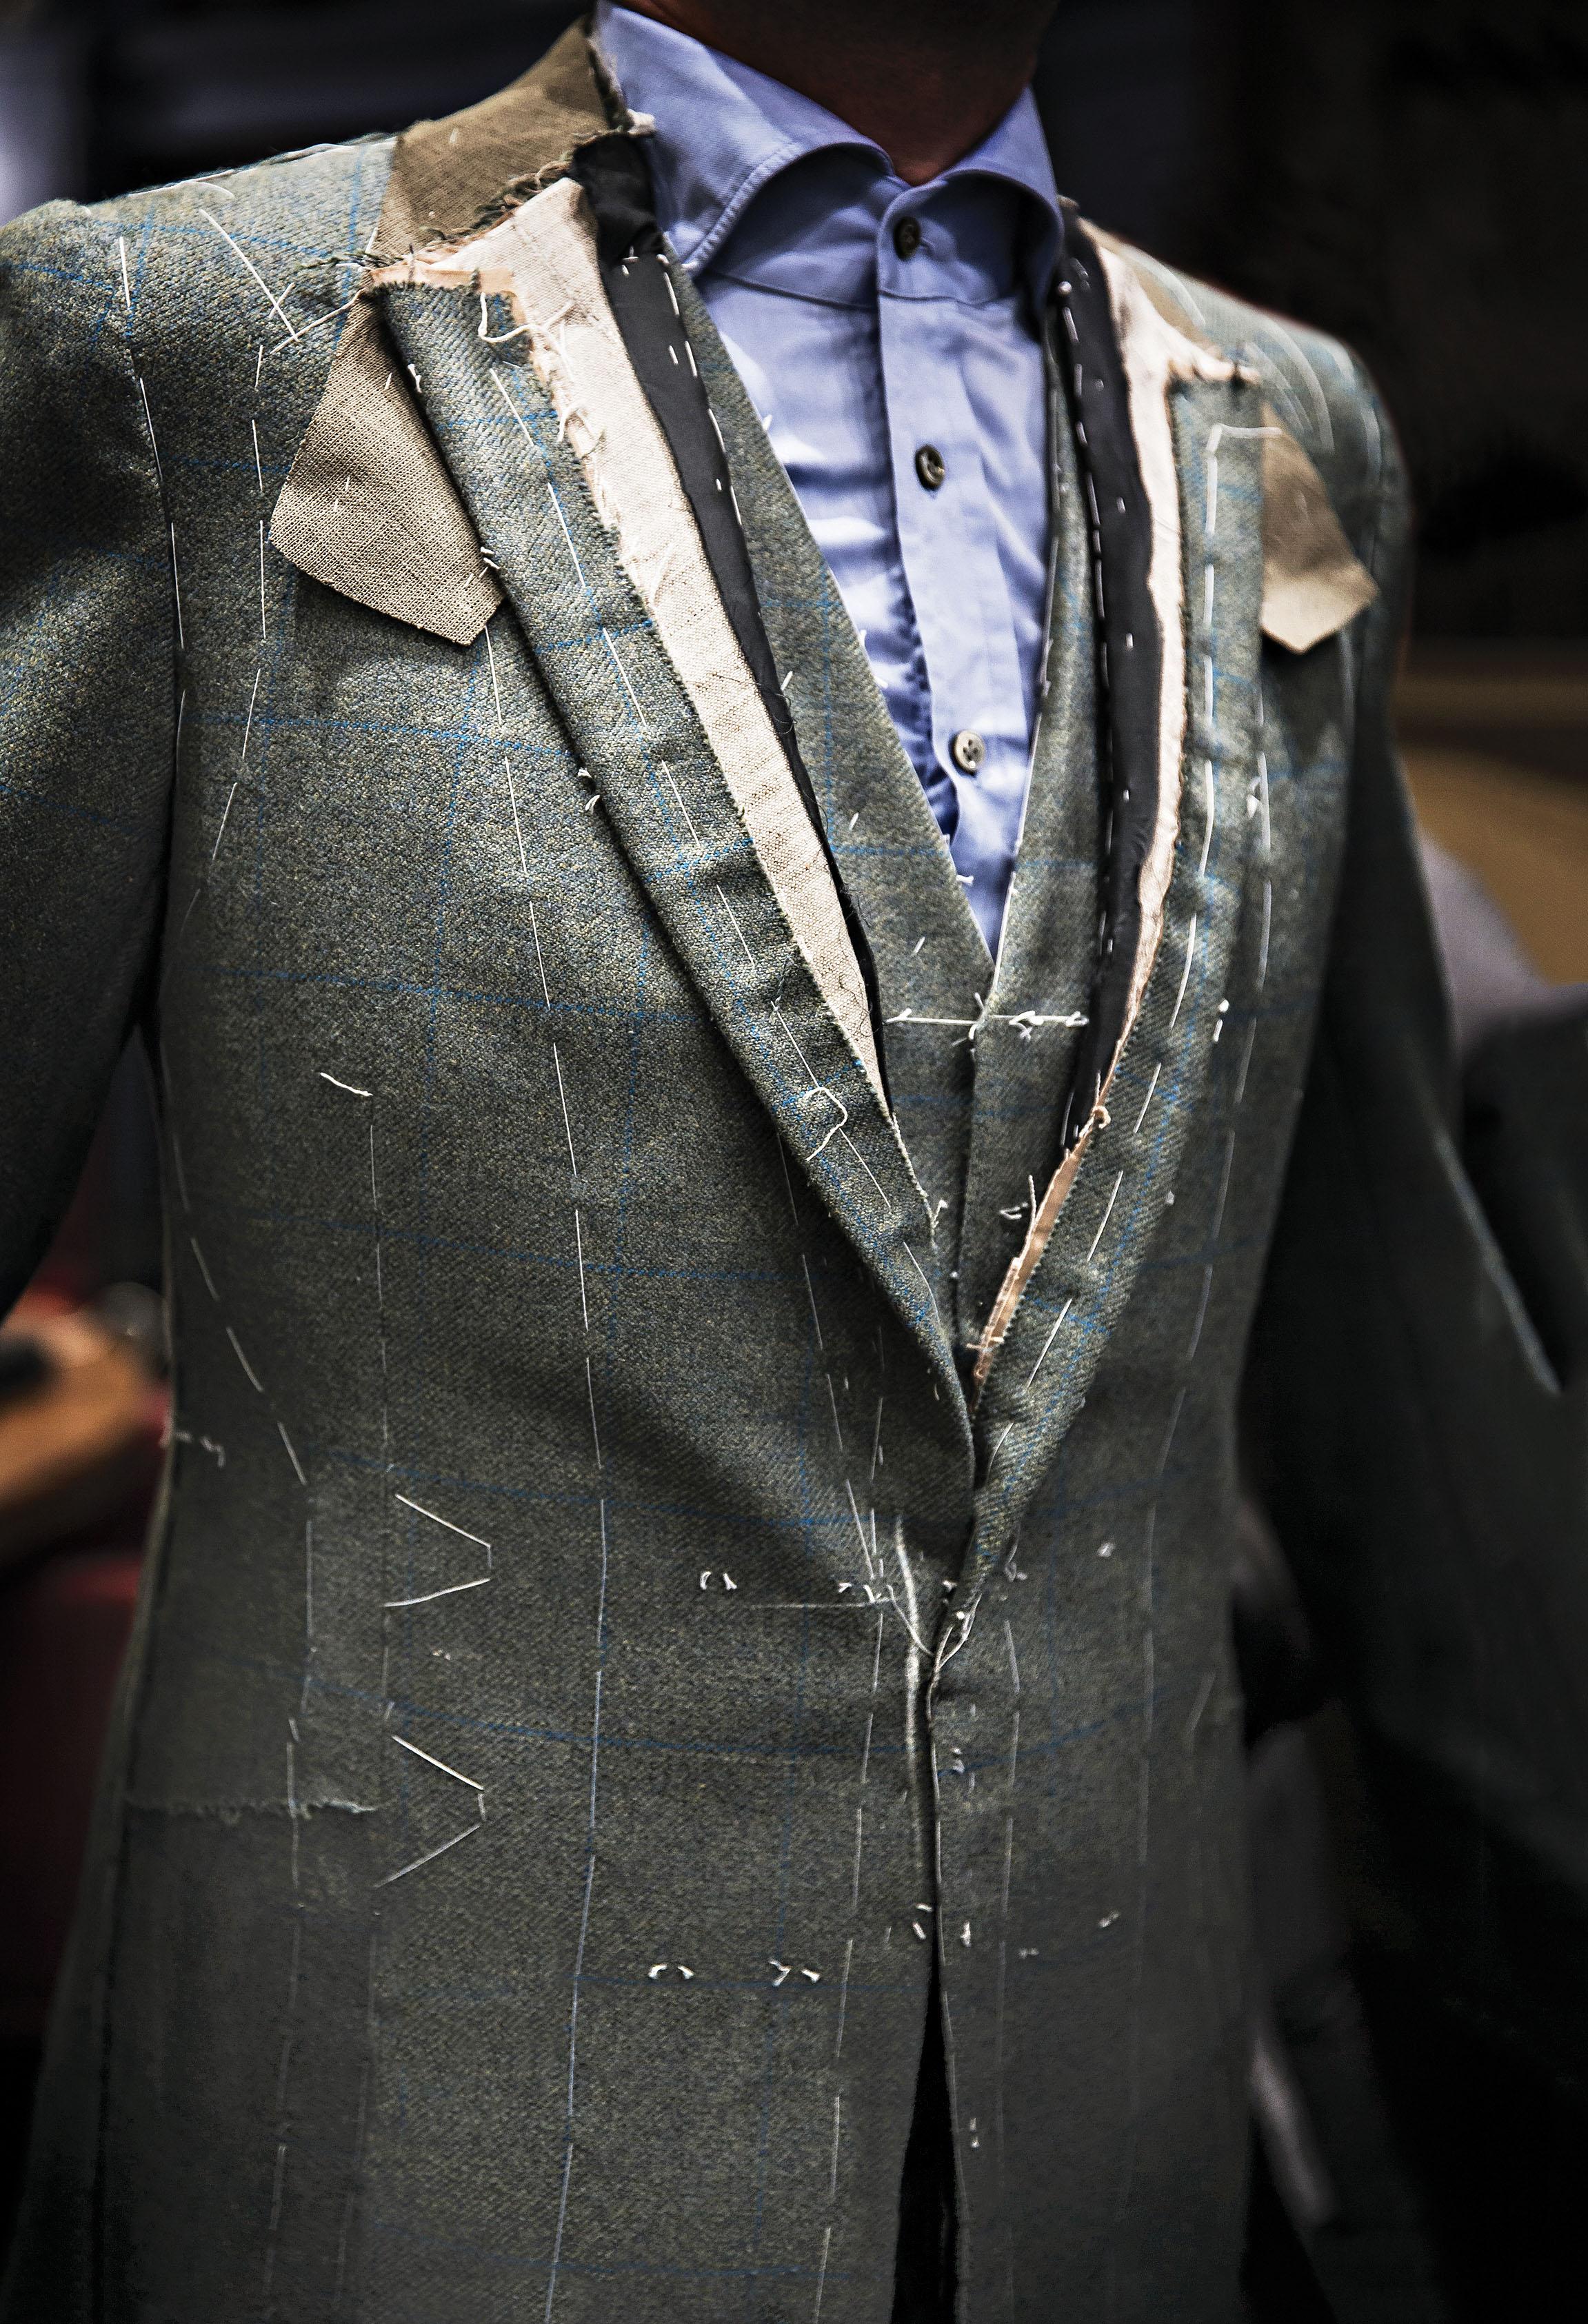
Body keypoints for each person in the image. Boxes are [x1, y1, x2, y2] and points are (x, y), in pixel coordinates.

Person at [0, 5, 1576, 2319]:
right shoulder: (188, 351)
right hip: (400, 2172)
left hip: (1106, 2176)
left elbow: (1390, 1388)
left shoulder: (1285, 428)